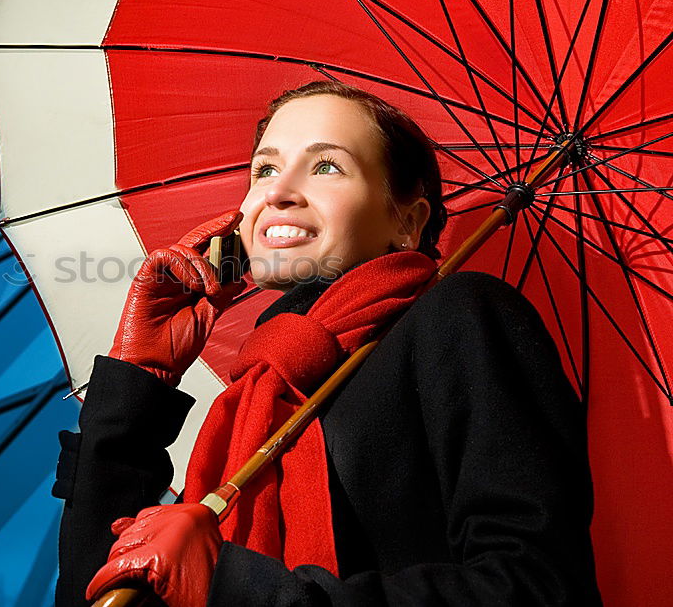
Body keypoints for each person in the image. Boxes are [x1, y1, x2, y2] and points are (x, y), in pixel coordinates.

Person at [53, 81, 601, 606]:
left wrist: (238, 593)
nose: (279, 192)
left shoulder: (458, 316)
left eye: (326, 166)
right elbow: (96, 594)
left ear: (406, 222)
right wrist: (138, 387)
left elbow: (538, 587)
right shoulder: (253, 395)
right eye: (264, 169)